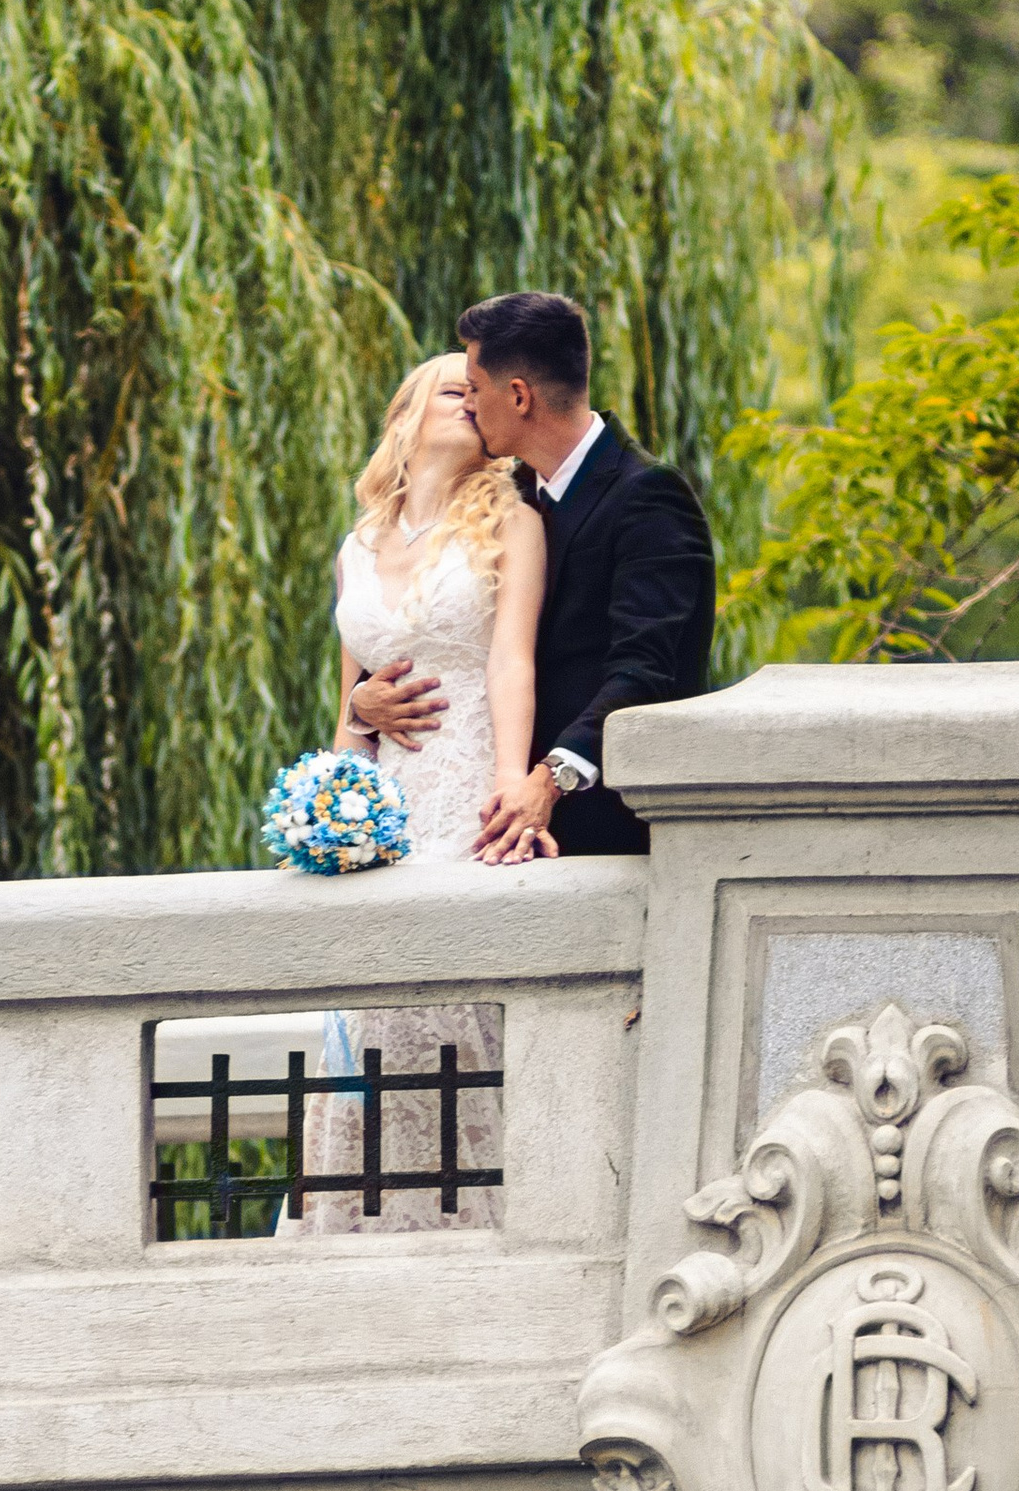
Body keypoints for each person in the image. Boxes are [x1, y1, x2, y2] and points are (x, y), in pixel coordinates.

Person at [280, 354, 539, 1235]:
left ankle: (465, 1222)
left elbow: (511, 659)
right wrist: (354, 719)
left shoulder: (510, 521)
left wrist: (510, 782)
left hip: (463, 783)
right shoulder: (356, 549)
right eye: (449, 386)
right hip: (383, 802)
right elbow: (353, 706)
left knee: (446, 1010)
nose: (469, 394)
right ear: (406, 415)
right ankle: (358, 1221)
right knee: (370, 1005)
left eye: (479, 388)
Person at [435, 289, 714, 861]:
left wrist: (549, 779)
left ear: (517, 396)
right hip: (493, 810)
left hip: (598, 828)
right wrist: (369, 701)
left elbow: (645, 671)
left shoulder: (649, 496)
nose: (467, 404)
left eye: (475, 387)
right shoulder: (507, 501)